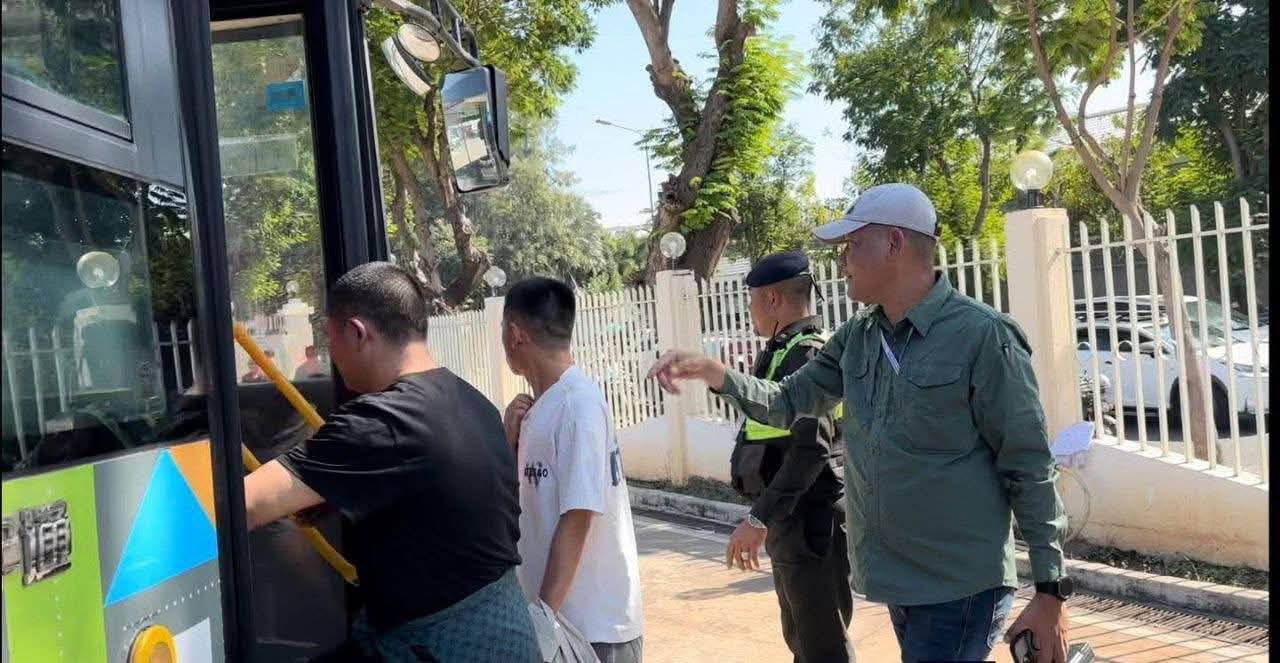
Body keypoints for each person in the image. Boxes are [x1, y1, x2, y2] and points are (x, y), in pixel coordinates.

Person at [648, 183, 1072, 663]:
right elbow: (789, 400)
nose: (843, 259)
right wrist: (716, 374)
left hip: (960, 585)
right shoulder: (860, 336)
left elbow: (1028, 464)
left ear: (895, 242)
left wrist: (1050, 590)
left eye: (852, 244)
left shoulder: (982, 336)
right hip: (899, 581)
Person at [242, 262, 540, 662]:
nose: (332, 358)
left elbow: (243, 505)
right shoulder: (471, 402)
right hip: (505, 638)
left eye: (331, 340)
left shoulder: (382, 421)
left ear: (357, 333)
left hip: (432, 648)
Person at [500, 277, 645, 663]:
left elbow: (578, 516)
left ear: (515, 334)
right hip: (562, 625)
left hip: (592, 631)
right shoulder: (540, 408)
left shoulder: (577, 405)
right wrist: (508, 444)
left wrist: (543, 620)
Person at [725, 251, 853, 663]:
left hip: (809, 519)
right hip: (794, 517)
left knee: (821, 645)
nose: (750, 311)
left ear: (773, 300)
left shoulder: (807, 355)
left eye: (752, 301)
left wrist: (758, 518)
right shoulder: (785, 351)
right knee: (804, 637)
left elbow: (810, 450)